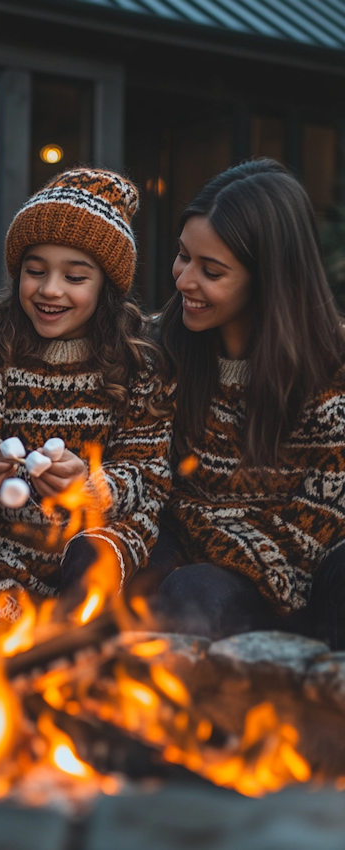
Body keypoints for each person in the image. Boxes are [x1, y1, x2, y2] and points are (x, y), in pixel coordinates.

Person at [0, 168, 173, 622]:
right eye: (35, 271)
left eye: (75, 277)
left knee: (96, 559)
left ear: (106, 284)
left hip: (99, 528)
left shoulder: (139, 365)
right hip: (7, 532)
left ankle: (81, 639)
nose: (49, 289)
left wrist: (87, 486)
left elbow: (149, 474)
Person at [130, 158, 345, 647]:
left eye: (212, 271)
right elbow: (144, 477)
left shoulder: (332, 370)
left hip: (297, 585)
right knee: (157, 574)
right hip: (196, 569)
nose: (184, 280)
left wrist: (204, 530)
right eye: (183, 256)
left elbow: (318, 529)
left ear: (268, 280)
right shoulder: (163, 349)